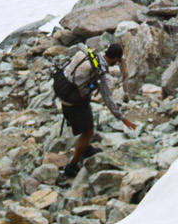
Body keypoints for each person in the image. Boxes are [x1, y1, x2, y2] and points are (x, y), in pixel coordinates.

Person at [52, 40, 134, 181]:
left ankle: (87, 148)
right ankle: (72, 165)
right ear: (114, 59)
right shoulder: (101, 73)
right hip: (74, 101)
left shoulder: (90, 56)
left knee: (86, 124)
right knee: (88, 131)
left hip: (64, 91)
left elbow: (79, 45)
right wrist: (123, 118)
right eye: (118, 61)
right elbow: (108, 99)